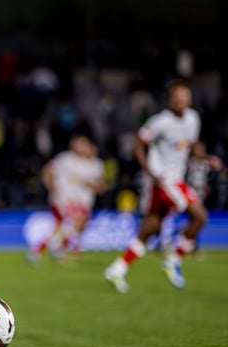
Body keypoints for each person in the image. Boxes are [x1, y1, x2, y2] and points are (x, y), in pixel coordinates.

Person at [104, 79, 221, 293]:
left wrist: (206, 158)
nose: (181, 102)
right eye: (177, 98)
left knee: (150, 228)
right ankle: (173, 259)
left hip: (176, 179)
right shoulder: (160, 122)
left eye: (185, 97)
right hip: (165, 180)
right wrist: (151, 173)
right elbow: (138, 145)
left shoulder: (193, 119)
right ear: (170, 100)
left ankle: (117, 268)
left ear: (189, 99)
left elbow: (192, 147)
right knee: (200, 216)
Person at [26, 132, 105, 264]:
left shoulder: (95, 164)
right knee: (75, 223)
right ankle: (53, 248)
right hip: (64, 199)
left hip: (83, 201)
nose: (81, 147)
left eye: (84, 144)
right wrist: (51, 187)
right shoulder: (65, 159)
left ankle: (49, 249)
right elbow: (48, 170)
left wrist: (94, 186)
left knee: (68, 227)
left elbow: (100, 185)